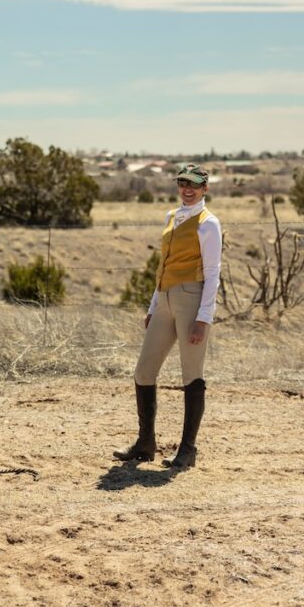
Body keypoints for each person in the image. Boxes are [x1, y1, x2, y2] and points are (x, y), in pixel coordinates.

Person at [114, 164, 221, 469]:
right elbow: (162, 265)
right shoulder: (171, 217)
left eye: (195, 185)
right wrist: (152, 307)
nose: (188, 189)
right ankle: (145, 443)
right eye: (183, 183)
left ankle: (187, 450)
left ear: (205, 188)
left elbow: (213, 273)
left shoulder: (208, 223)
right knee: (144, 371)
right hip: (164, 298)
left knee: (192, 374)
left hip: (192, 299)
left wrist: (204, 317)